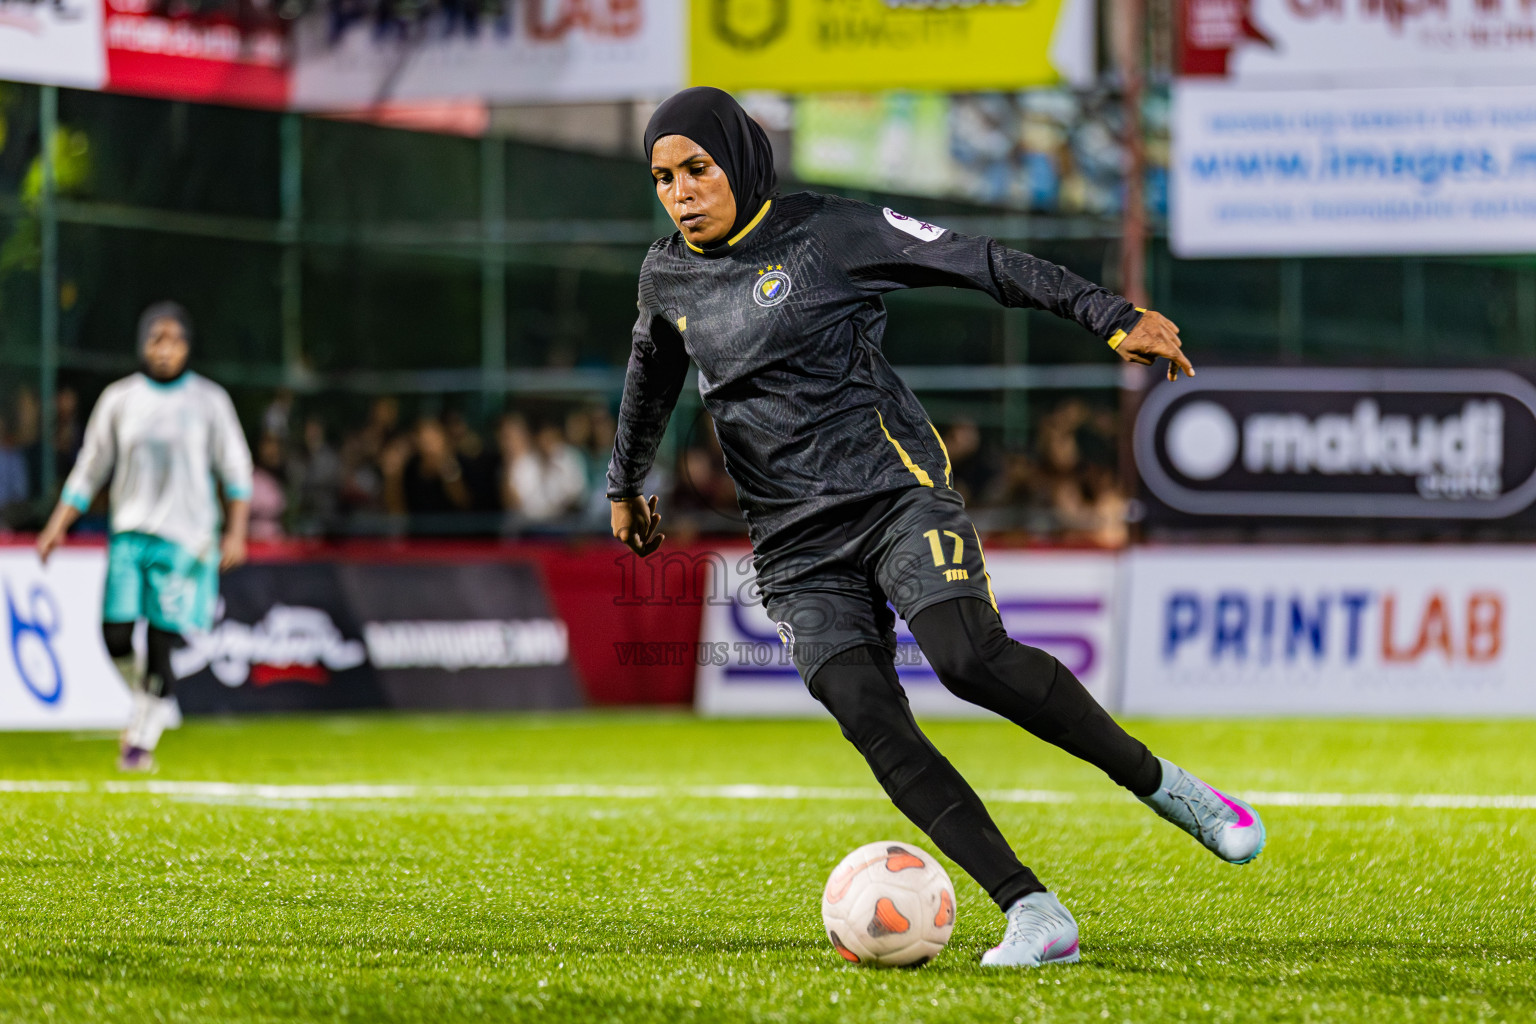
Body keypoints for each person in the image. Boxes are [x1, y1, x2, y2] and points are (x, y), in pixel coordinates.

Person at [607, 88, 1265, 969]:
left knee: (967, 657)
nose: (681, 192)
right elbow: (652, 370)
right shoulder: (667, 274)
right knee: (869, 713)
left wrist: (1107, 316)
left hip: (892, 497)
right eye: (663, 178)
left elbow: (977, 261)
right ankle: (1033, 910)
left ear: (742, 161)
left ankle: (1173, 790)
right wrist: (626, 482)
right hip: (794, 547)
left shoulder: (830, 232)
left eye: (697, 168)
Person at [35, 302, 252, 772]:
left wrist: (236, 531)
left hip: (186, 540)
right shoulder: (120, 399)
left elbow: (236, 470)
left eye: (175, 339)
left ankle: (139, 742)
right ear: (143, 344)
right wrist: (56, 525)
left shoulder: (209, 401)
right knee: (113, 634)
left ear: (187, 347)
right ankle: (147, 701)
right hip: (130, 535)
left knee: (159, 640)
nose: (165, 348)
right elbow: (91, 467)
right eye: (157, 338)